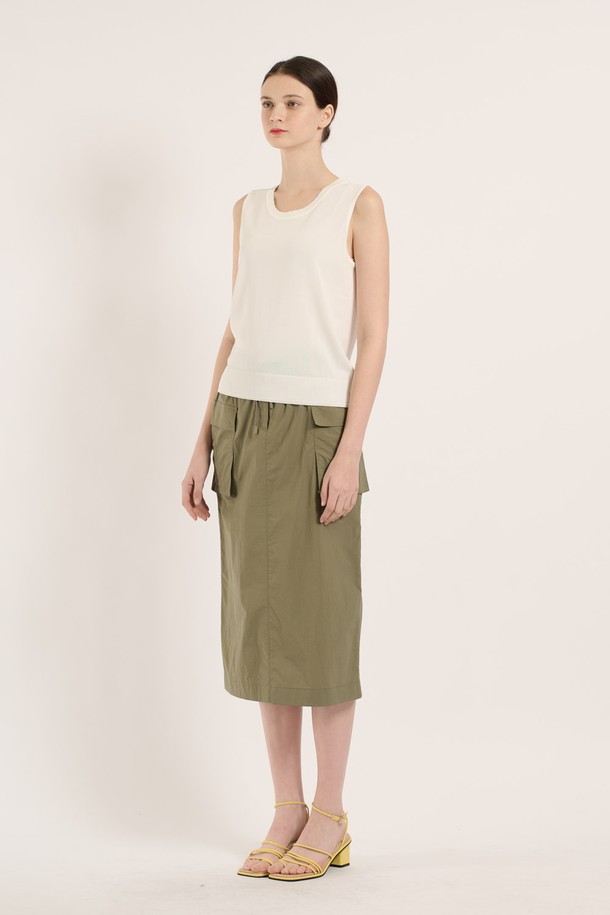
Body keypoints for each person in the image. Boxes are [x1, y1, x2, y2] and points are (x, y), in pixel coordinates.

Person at [181, 55, 389, 881]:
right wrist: (201, 438)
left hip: (315, 425)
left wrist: (348, 448)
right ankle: (286, 808)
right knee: (264, 624)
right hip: (243, 418)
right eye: (267, 102)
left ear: (327, 113)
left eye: (293, 102)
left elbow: (373, 335)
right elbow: (236, 327)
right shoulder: (247, 210)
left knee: (323, 625)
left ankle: (330, 813)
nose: (276, 114)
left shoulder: (358, 204)